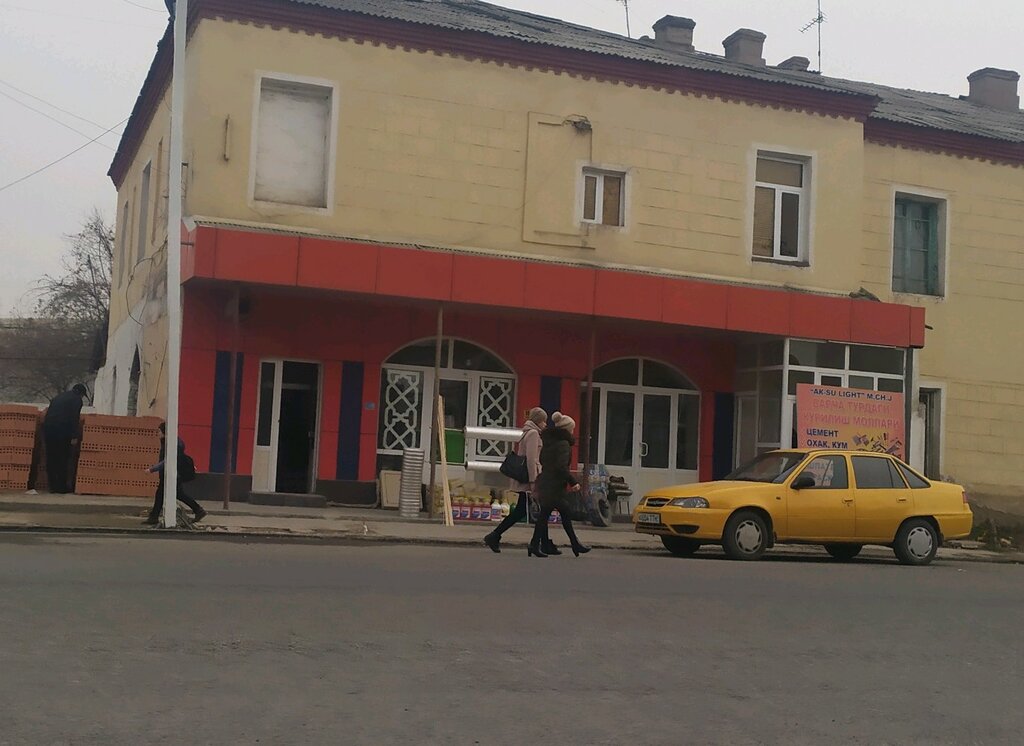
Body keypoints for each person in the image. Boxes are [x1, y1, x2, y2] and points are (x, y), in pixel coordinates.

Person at [483, 407, 560, 555]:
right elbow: (531, 459)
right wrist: (533, 482)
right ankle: (498, 536)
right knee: (535, 512)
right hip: (529, 480)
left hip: (527, 479)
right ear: (538, 420)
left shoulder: (528, 432)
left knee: (527, 511)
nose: (545, 424)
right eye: (543, 421)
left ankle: (541, 543)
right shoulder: (533, 434)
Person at [528, 412, 591, 558]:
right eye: (572, 428)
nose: (573, 431)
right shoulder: (563, 444)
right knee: (560, 514)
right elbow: (561, 467)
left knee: (548, 515)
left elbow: (543, 460)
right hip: (555, 486)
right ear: (567, 429)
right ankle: (574, 544)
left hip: (546, 482)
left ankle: (536, 544)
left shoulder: (549, 441)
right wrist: (573, 482)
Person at [144, 422, 207, 526]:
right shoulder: (168, 441)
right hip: (170, 473)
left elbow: (167, 460)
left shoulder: (173, 443)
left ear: (165, 432)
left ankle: (154, 517)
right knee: (170, 494)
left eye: (159, 431)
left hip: (172, 474)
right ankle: (198, 510)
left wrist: (152, 469)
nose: (158, 433)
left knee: (164, 494)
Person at [42, 383, 87, 494]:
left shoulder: (59, 397)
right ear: (81, 393)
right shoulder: (76, 400)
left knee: (51, 458)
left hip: (48, 430)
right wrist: (74, 436)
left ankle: (52, 486)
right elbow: (74, 418)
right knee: (63, 458)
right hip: (62, 431)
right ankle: (61, 487)